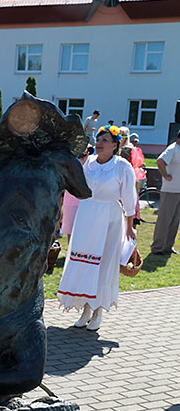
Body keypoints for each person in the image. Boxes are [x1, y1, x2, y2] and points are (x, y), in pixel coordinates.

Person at [57, 125, 137, 331]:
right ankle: (85, 309)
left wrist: (130, 227)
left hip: (110, 217)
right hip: (87, 215)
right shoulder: (88, 163)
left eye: (104, 141)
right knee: (83, 262)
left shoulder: (122, 167)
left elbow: (129, 198)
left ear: (115, 146)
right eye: (98, 140)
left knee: (104, 264)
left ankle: (98, 310)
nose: (99, 144)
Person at [151, 130, 180, 255]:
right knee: (164, 220)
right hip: (170, 191)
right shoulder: (173, 149)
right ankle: (157, 247)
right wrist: (165, 175)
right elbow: (160, 161)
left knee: (175, 220)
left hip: (178, 190)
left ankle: (168, 246)